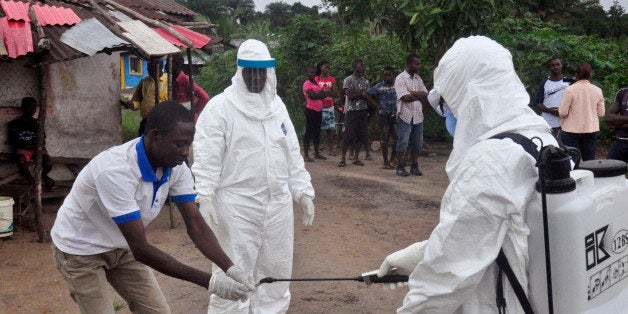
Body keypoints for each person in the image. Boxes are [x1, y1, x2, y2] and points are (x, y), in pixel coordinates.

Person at [377, 36, 557, 313]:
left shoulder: (490, 161)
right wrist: (421, 254)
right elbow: (491, 229)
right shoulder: (539, 137)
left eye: (448, 102)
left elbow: (444, 279)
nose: (448, 113)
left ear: (467, 94)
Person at [50, 102, 255, 314]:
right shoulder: (115, 171)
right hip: (81, 250)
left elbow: (195, 224)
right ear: (155, 136)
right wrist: (210, 282)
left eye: (189, 144)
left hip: (121, 247)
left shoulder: (174, 166)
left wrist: (230, 268)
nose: (186, 153)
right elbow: (141, 249)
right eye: (180, 144)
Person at [191, 39, 315, 313]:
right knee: (234, 273)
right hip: (237, 206)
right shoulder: (221, 108)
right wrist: (205, 195)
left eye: (262, 72)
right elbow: (207, 155)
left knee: (277, 271)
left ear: (269, 73)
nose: (257, 77)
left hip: (278, 205)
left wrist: (303, 191)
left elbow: (291, 152)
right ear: (241, 72)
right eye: (251, 71)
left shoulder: (277, 106)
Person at [558, 62, 605, 161]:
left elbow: (562, 112)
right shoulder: (598, 90)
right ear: (590, 75)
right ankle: (590, 175)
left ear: (576, 74)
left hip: (571, 130)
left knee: (571, 160)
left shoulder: (570, 90)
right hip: (590, 129)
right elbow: (601, 113)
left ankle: (574, 176)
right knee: (590, 160)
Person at [7, 97, 56, 190]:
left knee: (48, 163)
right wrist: (33, 144)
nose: (32, 110)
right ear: (23, 108)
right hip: (24, 151)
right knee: (20, 160)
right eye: (30, 107)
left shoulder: (37, 123)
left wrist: (29, 144)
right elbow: (15, 143)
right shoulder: (14, 124)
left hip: (36, 150)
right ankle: (32, 183)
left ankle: (44, 176)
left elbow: (42, 141)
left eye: (34, 108)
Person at [394, 54, 429, 177]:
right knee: (403, 141)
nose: (419, 66)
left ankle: (414, 166)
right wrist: (418, 95)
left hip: (418, 115)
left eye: (419, 64)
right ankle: (400, 166)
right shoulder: (400, 78)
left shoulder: (418, 79)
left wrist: (413, 92)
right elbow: (405, 97)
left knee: (417, 143)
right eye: (416, 64)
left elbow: (426, 94)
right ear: (409, 63)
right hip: (405, 114)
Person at [339, 60, 372, 167]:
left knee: (360, 135)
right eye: (361, 65)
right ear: (355, 66)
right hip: (351, 111)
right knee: (347, 135)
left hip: (362, 110)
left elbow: (368, 96)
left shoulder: (366, 81)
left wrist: (359, 94)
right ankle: (343, 158)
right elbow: (350, 96)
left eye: (363, 65)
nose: (363, 67)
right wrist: (362, 94)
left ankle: (356, 158)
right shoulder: (348, 80)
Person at [533, 58, 574, 137]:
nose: (556, 67)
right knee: (550, 147)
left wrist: (564, 111)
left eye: (558, 64)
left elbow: (576, 101)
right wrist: (550, 110)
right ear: (549, 68)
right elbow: (537, 103)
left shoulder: (569, 81)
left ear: (561, 66)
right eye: (553, 65)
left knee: (564, 148)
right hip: (548, 123)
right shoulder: (545, 83)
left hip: (566, 123)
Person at [126, 58, 168, 135]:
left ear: (160, 67)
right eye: (148, 67)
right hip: (146, 121)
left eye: (151, 67)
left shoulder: (168, 82)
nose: (148, 70)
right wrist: (133, 104)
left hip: (161, 122)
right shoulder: (144, 81)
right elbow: (138, 99)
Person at [368, 66, 398, 170]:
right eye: (385, 75)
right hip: (383, 115)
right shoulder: (379, 86)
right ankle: (385, 162)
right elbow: (366, 94)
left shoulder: (398, 85)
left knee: (396, 138)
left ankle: (393, 159)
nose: (387, 77)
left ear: (393, 75)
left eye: (389, 75)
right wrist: (376, 105)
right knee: (384, 139)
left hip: (396, 114)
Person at [170, 54, 210, 118]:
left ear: (178, 65)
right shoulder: (171, 80)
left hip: (188, 119)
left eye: (169, 63)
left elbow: (205, 97)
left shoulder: (186, 80)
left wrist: (194, 110)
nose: (166, 65)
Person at [303, 67, 328, 162]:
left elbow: (323, 94)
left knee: (317, 131)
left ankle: (317, 153)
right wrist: (320, 95)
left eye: (313, 72)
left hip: (318, 109)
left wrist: (319, 94)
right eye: (310, 72)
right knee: (309, 131)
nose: (312, 74)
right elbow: (312, 96)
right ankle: (306, 154)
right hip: (310, 109)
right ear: (308, 73)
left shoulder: (316, 82)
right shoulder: (307, 83)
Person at [315, 60, 338, 156]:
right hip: (318, 105)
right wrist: (327, 92)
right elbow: (315, 93)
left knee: (329, 129)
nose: (327, 68)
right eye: (325, 66)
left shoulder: (332, 79)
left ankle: (331, 149)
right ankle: (317, 149)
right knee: (317, 128)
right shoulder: (316, 79)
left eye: (328, 67)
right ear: (320, 67)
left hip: (329, 105)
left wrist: (324, 92)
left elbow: (335, 93)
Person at [604, 86, 628, 162]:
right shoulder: (623, 92)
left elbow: (613, 118)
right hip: (621, 141)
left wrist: (616, 125)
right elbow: (608, 117)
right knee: (609, 168)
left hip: (620, 133)